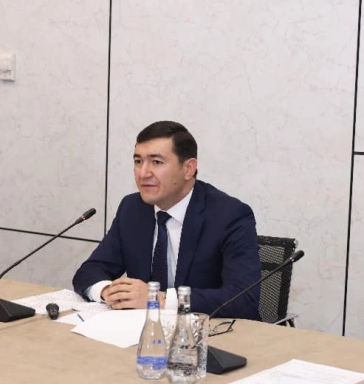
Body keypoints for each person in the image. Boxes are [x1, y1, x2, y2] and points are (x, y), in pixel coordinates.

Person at [73, 121, 262, 320]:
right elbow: (89, 271)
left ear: (188, 169)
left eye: (156, 162)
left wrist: (159, 299)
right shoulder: (132, 208)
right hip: (141, 330)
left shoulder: (229, 215)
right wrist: (108, 291)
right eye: (138, 161)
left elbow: (244, 299)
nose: (143, 173)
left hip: (210, 332)